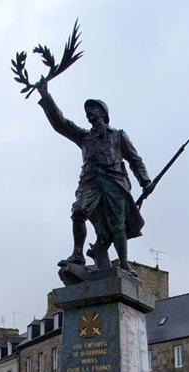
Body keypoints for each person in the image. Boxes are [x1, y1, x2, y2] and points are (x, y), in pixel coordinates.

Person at [36, 79, 152, 277]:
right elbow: (60, 124)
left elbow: (134, 159)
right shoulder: (84, 137)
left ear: (103, 113)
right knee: (79, 211)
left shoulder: (117, 136)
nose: (88, 111)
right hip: (91, 182)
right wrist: (45, 96)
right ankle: (78, 254)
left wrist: (145, 181)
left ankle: (123, 263)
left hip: (114, 182)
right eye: (87, 109)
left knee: (117, 225)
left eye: (93, 108)